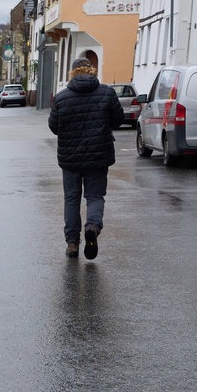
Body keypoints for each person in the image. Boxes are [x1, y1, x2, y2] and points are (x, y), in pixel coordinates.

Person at [48, 57, 124, 259]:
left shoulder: (61, 98)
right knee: (95, 196)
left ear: (72, 73)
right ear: (92, 71)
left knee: (71, 199)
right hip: (98, 156)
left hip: (70, 158)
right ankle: (92, 226)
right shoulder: (107, 93)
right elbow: (119, 120)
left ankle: (72, 244)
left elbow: (54, 127)